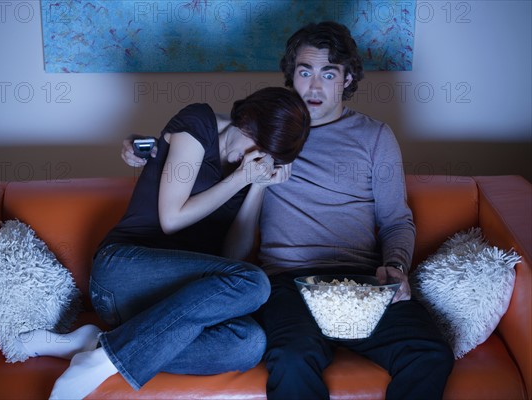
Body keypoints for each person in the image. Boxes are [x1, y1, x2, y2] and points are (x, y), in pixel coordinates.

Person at [121, 21, 454, 400]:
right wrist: (147, 147)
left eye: (328, 74)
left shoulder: (375, 137)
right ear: (290, 76)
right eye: (304, 72)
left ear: (346, 80)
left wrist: (395, 266)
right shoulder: (269, 128)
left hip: (362, 283)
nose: (314, 86)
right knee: (293, 359)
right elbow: (208, 137)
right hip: (288, 283)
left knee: (430, 353)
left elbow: (396, 219)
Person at [48, 86, 311, 399]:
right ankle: (101, 362)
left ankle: (100, 345)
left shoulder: (249, 171)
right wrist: (239, 179)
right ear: (246, 121)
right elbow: (171, 219)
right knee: (256, 283)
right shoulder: (198, 123)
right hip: (121, 274)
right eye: (256, 145)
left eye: (268, 158)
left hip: (167, 306)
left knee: (249, 343)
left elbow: (232, 256)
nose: (253, 158)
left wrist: (258, 187)